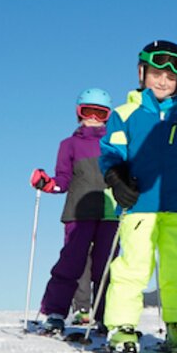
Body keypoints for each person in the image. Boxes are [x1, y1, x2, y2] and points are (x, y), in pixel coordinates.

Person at [99, 40, 177, 353]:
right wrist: (116, 179)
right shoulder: (125, 114)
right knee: (133, 267)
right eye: (156, 73)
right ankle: (122, 327)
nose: (163, 81)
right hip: (140, 205)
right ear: (141, 73)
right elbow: (111, 153)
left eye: (171, 77)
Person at [29, 88, 120, 334]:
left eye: (99, 113)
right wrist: (48, 183)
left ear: (107, 116)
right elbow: (63, 179)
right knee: (72, 261)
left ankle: (106, 316)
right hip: (78, 213)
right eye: (87, 111)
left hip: (110, 213)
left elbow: (125, 175)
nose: (92, 117)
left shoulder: (115, 143)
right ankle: (56, 312)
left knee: (107, 266)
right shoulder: (68, 145)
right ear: (78, 113)